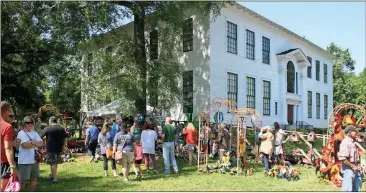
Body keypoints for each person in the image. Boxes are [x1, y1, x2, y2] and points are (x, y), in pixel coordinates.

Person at [17, 116, 43, 191]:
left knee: (34, 179)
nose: (30, 124)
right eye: (28, 122)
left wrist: (31, 143)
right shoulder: (21, 133)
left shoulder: (34, 133)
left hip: (34, 160)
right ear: (24, 124)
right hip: (24, 161)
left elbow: (41, 143)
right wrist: (34, 143)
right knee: (23, 181)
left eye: (32, 123)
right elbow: (25, 146)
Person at [41, 116, 67, 183]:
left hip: (51, 148)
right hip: (59, 148)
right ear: (56, 121)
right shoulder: (61, 128)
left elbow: (40, 136)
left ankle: (55, 179)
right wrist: (64, 146)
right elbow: (65, 138)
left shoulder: (47, 128)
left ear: (50, 121)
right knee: (55, 163)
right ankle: (52, 175)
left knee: (53, 163)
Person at [1, 101, 19, 191]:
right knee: (8, 188)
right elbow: (8, 148)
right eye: (11, 111)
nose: (12, 114)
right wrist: (12, 166)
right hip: (4, 163)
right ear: (6, 111)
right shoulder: (7, 127)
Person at [337, 125, 362, 192]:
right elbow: (343, 159)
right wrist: (353, 166)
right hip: (348, 169)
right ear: (349, 133)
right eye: (354, 131)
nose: (356, 132)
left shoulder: (353, 141)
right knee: (347, 190)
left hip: (356, 168)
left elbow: (362, 139)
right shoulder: (345, 143)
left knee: (357, 188)